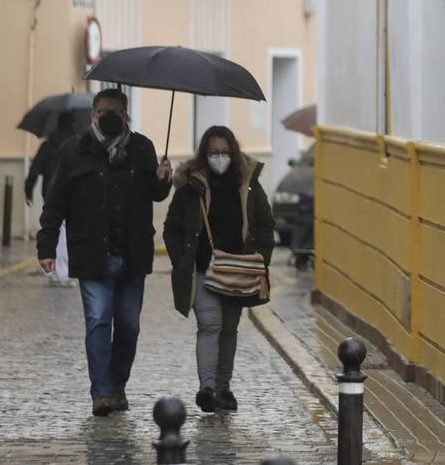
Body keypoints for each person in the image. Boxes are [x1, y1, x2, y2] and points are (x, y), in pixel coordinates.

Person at [36, 88, 172, 417]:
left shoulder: (143, 148)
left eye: (117, 112)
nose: (110, 117)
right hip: (92, 254)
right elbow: (55, 201)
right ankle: (100, 392)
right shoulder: (74, 150)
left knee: (129, 326)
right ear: (94, 115)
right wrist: (47, 244)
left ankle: (117, 384)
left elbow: (155, 194)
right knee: (98, 321)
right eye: (103, 112)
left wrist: (164, 179)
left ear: (126, 115)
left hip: (133, 254)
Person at [163, 125, 275, 414]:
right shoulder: (192, 186)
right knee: (209, 325)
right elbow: (172, 228)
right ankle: (208, 388)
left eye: (224, 152)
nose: (219, 157)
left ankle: (224, 389)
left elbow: (265, 224)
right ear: (204, 154)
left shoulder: (248, 184)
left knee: (228, 329)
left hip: (239, 270)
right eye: (213, 152)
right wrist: (182, 259)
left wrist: (261, 259)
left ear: (233, 153)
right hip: (203, 270)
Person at [25, 110, 77, 286]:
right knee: (65, 233)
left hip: (50, 193)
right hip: (71, 195)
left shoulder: (47, 146)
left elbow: (35, 168)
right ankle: (63, 272)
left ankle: (53, 271)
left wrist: (28, 190)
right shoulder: (76, 145)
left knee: (52, 229)